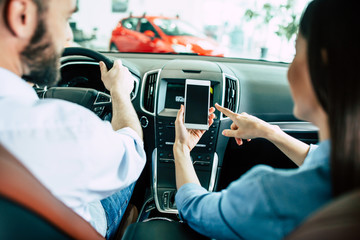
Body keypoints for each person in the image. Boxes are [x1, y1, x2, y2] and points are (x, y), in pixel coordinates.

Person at [173, 0, 360, 239]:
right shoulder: (346, 168)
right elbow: (327, 163)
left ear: (322, 66)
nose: (290, 67)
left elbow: (195, 210)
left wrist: (180, 148)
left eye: (295, 52)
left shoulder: (270, 197)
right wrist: (269, 132)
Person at [0, 0, 145, 239]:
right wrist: (119, 93)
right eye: (66, 19)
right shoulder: (66, 128)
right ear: (21, 14)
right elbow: (133, 149)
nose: (68, 35)